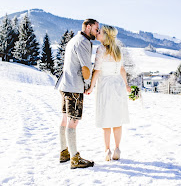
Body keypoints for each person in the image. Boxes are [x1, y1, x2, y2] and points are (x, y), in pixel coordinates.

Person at [55, 19, 99, 169]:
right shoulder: (83, 42)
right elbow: (86, 68)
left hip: (65, 84)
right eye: (96, 29)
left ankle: (64, 152)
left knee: (65, 118)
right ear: (88, 27)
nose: (97, 32)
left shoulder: (74, 39)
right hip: (74, 87)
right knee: (73, 121)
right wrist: (88, 86)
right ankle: (75, 158)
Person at [85, 25, 130, 161]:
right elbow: (122, 69)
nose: (97, 33)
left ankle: (107, 150)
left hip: (105, 86)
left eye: (100, 32)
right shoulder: (118, 50)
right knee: (117, 118)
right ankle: (117, 148)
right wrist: (126, 84)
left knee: (106, 119)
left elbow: (97, 70)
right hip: (118, 85)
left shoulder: (101, 50)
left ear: (106, 36)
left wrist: (91, 87)